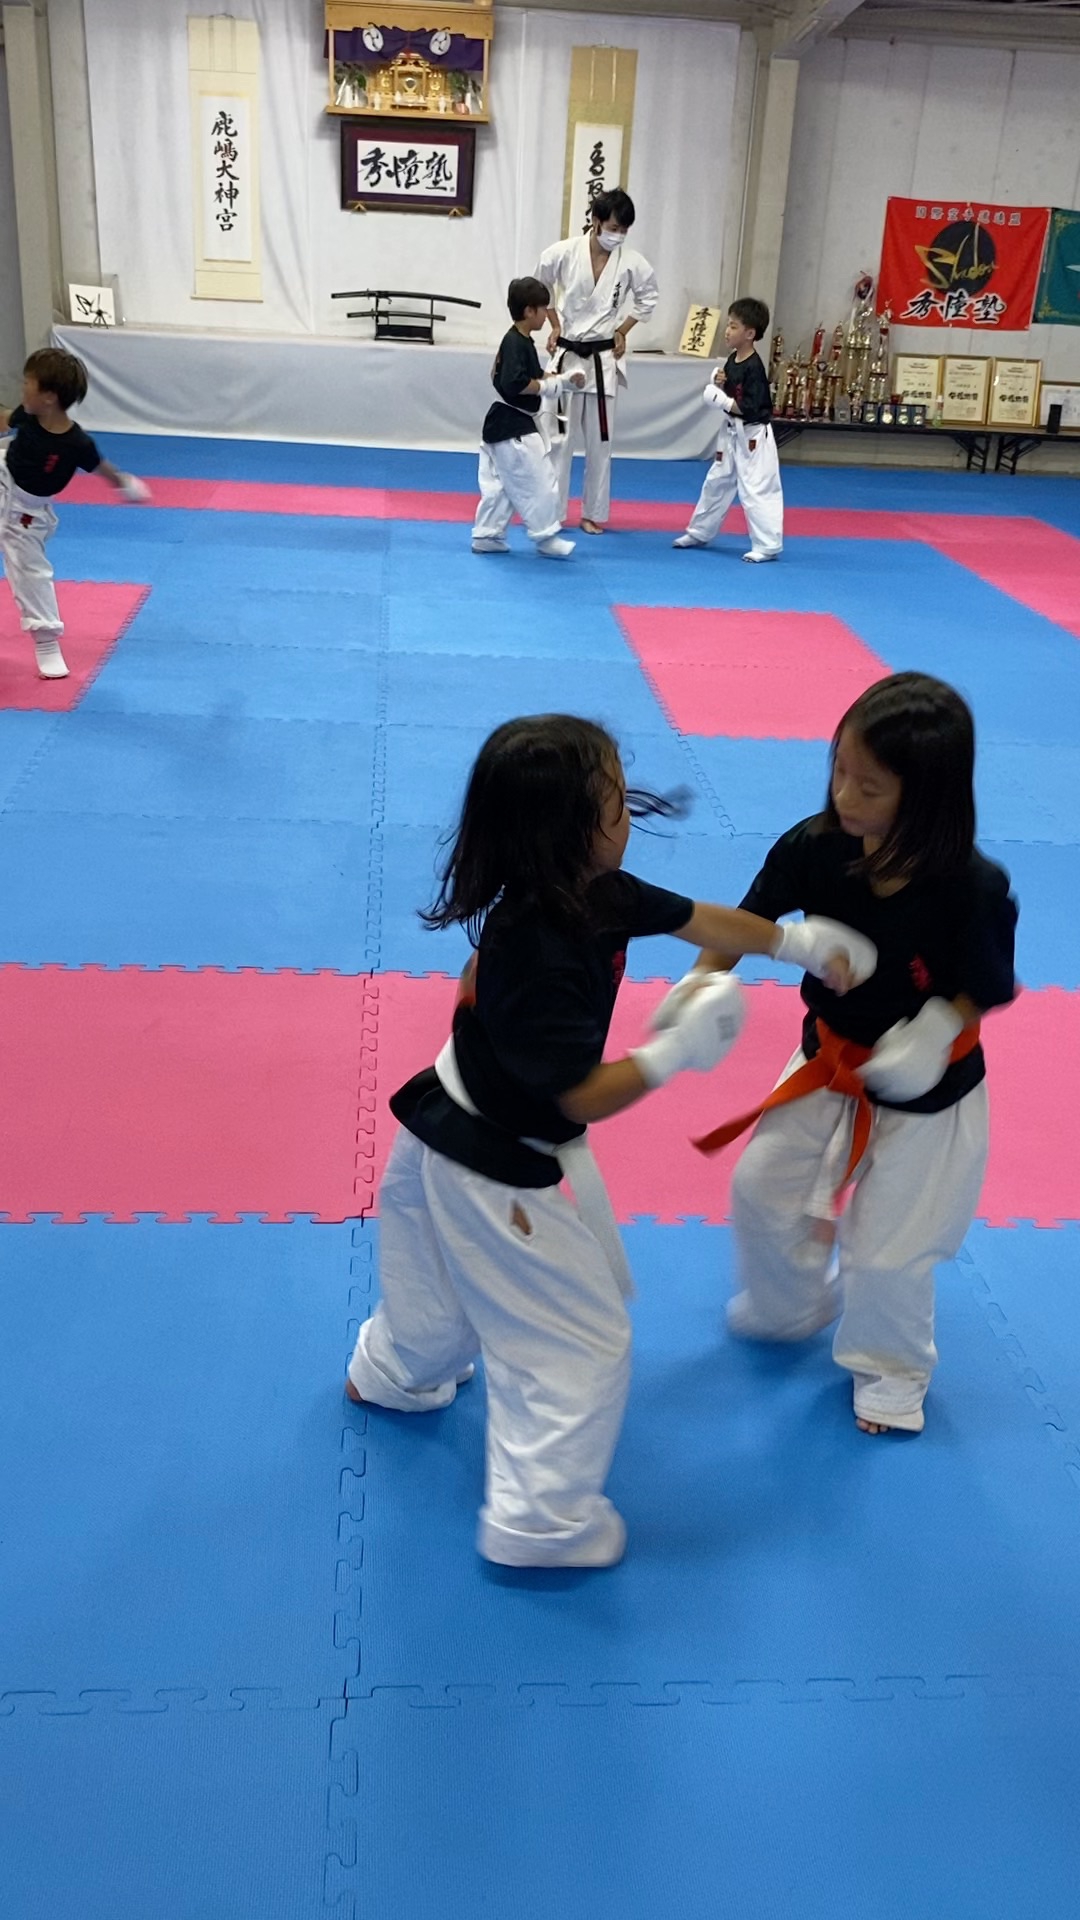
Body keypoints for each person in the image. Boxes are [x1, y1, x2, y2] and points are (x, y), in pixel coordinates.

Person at [345, 714, 877, 1568]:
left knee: (435, 1282)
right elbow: (580, 1095)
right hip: (493, 1165)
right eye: (614, 802)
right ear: (567, 832)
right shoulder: (539, 950)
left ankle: (395, 1374)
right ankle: (539, 1524)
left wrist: (791, 941)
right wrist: (673, 1053)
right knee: (580, 1341)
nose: (629, 812)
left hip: (443, 1118)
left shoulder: (597, 892)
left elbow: (700, 921)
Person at [670, 674, 1018, 1435]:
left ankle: (892, 1368)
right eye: (839, 771)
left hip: (932, 1086)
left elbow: (989, 986)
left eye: (870, 786)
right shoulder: (816, 845)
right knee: (761, 1190)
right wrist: (700, 985)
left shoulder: (973, 888)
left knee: (889, 1249)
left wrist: (937, 1029)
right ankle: (792, 1303)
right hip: (827, 1060)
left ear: (926, 799)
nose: (844, 796)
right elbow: (746, 923)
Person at [0, 348, 150, 679]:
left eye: (27, 383)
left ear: (49, 397)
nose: (22, 388)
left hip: (27, 512)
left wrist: (125, 485)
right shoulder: (28, 415)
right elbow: (5, 420)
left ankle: (46, 641)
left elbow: (102, 467)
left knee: (31, 573)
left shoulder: (76, 444)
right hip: (2, 478)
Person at [536, 190, 658, 536]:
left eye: (624, 230)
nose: (618, 235)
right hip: (568, 357)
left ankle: (592, 512)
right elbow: (540, 286)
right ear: (596, 220)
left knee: (600, 442)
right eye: (614, 228)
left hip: (603, 360)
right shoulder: (562, 253)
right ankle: (552, 511)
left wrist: (622, 330)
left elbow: (648, 298)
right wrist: (555, 325)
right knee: (558, 439)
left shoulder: (632, 262)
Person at [472, 276, 585, 561]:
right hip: (513, 426)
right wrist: (550, 387)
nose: (546, 315)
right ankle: (546, 537)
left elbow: (524, 375)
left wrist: (564, 381)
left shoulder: (519, 340)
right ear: (528, 311)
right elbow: (516, 384)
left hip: (505, 422)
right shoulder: (515, 342)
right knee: (539, 478)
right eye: (543, 309)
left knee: (503, 484)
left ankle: (487, 534)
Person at [674, 297, 783, 563]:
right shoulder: (734, 359)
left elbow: (751, 407)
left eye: (734, 326)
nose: (727, 331)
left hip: (754, 435)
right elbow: (732, 392)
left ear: (750, 334)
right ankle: (700, 532)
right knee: (717, 482)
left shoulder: (755, 367)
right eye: (728, 325)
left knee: (756, 488)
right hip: (732, 433)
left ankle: (767, 545)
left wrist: (721, 400)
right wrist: (719, 381)